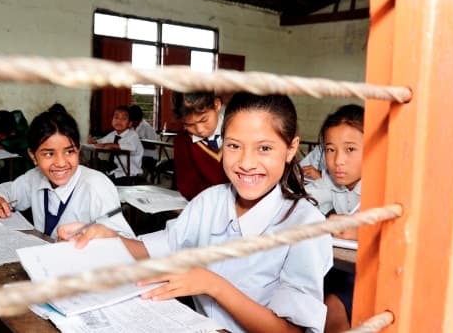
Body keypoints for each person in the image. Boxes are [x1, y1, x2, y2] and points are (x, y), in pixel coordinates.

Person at [59, 93, 331, 333]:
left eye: (264, 148)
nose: (247, 163)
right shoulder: (209, 202)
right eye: (234, 146)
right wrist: (109, 237)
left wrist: (213, 285)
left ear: (291, 149)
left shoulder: (306, 225)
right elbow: (158, 248)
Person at [0, 110, 134, 239]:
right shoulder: (36, 177)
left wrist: (95, 241)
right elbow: (8, 191)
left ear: (78, 150)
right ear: (33, 156)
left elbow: (127, 244)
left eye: (69, 151)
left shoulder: (96, 186)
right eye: (48, 154)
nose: (60, 162)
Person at [304, 104, 364, 333]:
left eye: (350, 149)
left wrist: (363, 230)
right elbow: (304, 203)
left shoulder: (385, 185)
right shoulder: (329, 181)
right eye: (330, 149)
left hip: (370, 275)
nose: (338, 160)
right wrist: (328, 217)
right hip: (340, 268)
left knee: (333, 304)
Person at [171, 92, 228, 200]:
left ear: (217, 104)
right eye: (189, 124)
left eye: (204, 120)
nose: (199, 130)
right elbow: (188, 186)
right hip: (205, 202)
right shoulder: (182, 142)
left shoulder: (237, 130)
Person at [88, 105, 144, 185]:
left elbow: (131, 148)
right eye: (116, 118)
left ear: (130, 123)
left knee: (105, 183)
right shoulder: (113, 134)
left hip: (129, 173)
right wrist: (94, 142)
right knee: (94, 166)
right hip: (116, 170)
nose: (119, 121)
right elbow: (101, 142)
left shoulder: (133, 135)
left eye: (123, 119)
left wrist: (113, 145)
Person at [0, 110, 33, 178]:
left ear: (12, 133)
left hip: (22, 176)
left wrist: (5, 149)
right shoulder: (6, 124)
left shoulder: (26, 139)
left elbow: (22, 152)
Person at [128, 104, 159, 176]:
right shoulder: (131, 128)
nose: (131, 122)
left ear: (139, 118)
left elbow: (154, 145)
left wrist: (138, 142)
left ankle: (140, 178)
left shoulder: (147, 127)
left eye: (133, 120)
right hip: (136, 155)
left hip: (149, 157)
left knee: (135, 161)